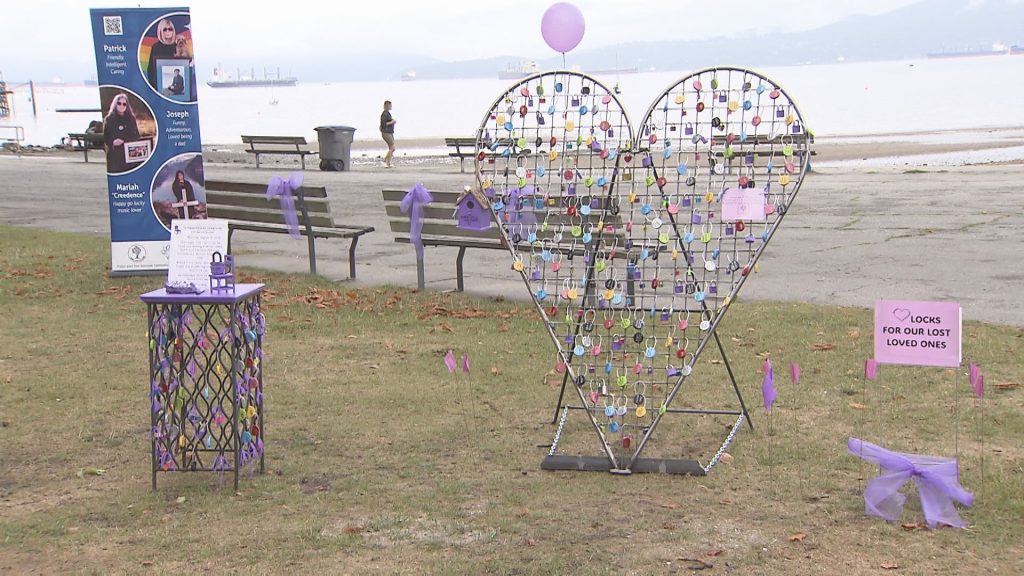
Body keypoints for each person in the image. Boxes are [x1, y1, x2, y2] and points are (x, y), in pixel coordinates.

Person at [103, 93, 140, 173]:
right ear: (115, 104)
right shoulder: (109, 119)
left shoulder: (131, 118)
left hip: (130, 155)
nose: (121, 106)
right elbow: (106, 136)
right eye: (119, 103)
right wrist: (113, 142)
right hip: (115, 155)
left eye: (124, 104)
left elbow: (137, 135)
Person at [146, 18, 178, 90]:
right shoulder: (156, 47)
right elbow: (151, 70)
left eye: (170, 29)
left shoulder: (178, 46)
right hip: (158, 88)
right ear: (160, 31)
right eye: (165, 29)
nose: (168, 31)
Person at [380, 100, 396, 168]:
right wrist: (392, 122)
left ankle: (388, 163)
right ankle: (384, 161)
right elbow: (384, 124)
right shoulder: (385, 114)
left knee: (391, 147)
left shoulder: (387, 113)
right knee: (393, 147)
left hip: (389, 132)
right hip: (386, 133)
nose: (391, 107)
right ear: (387, 106)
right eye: (390, 105)